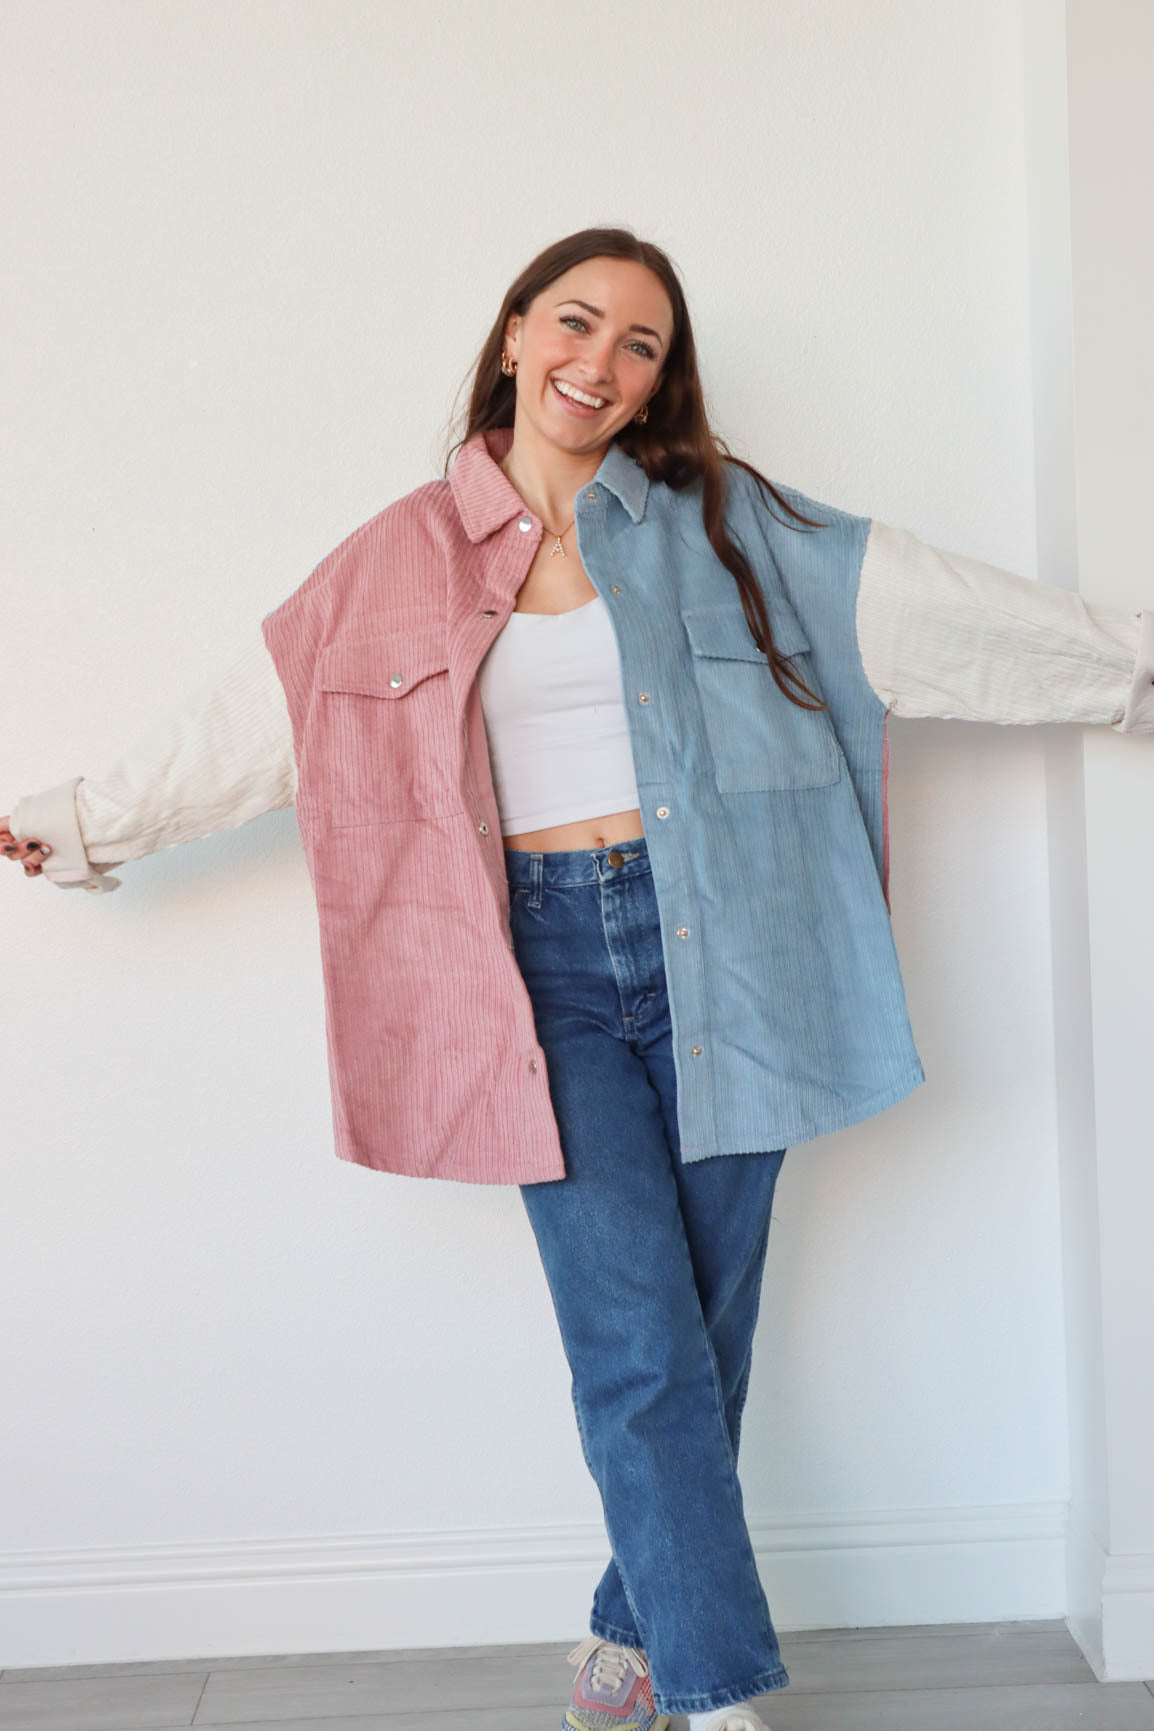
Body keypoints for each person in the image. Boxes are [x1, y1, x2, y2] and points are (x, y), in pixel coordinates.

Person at [5, 226, 1153, 1731]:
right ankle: (711, 1693)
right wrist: (85, 821)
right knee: (634, 1338)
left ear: (658, 384)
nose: (597, 364)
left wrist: (1129, 668)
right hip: (535, 974)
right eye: (575, 323)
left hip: (729, 958)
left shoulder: (732, 524)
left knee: (701, 1330)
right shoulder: (397, 558)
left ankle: (630, 1635)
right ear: (508, 337)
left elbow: (940, 611)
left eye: (638, 347)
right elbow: (261, 717)